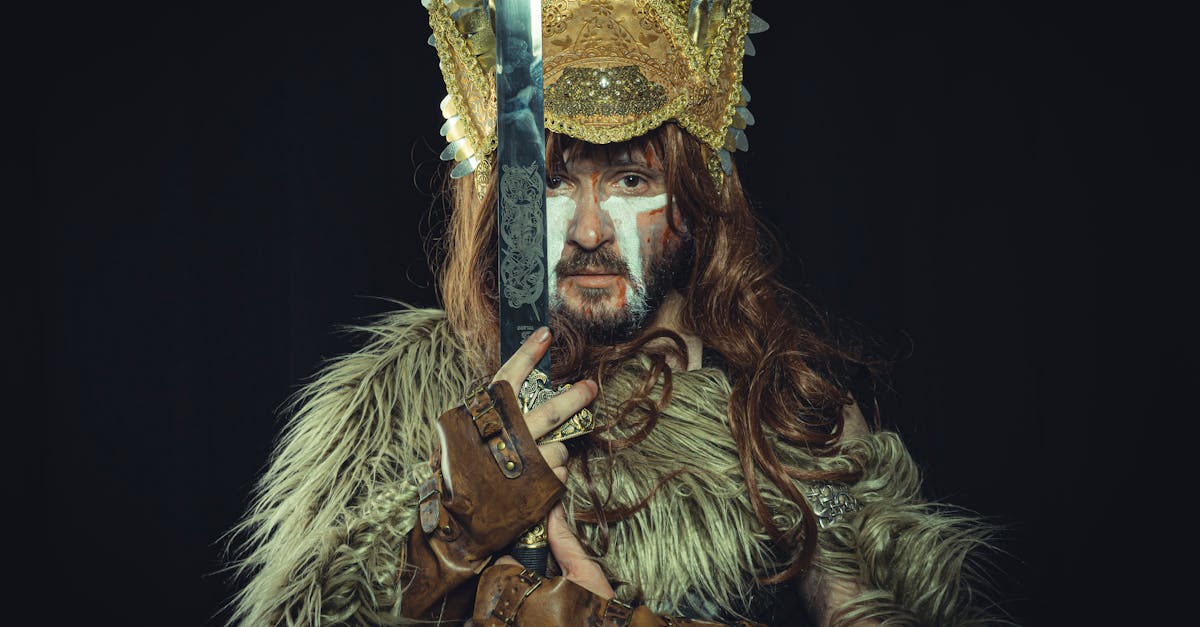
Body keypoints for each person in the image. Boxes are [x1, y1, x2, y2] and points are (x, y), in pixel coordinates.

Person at [229, 1, 1001, 625]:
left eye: (632, 179)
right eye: (557, 182)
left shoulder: (787, 419)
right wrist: (444, 536)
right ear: (507, 202)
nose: (592, 230)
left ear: (696, 202)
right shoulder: (392, 403)